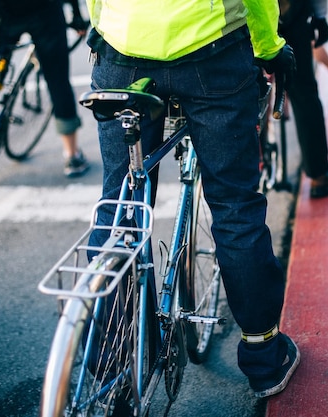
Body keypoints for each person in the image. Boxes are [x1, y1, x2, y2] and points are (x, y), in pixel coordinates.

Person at [84, 0, 300, 399]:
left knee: (119, 207)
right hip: (211, 53)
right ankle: (264, 358)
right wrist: (270, 47)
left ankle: (115, 359)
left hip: (121, 52)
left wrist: (102, 29)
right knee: (235, 206)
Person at [0, 0, 90, 177]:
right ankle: (72, 155)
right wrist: (76, 14)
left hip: (0, 9)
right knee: (57, 79)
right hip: (43, 11)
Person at [278, 0, 328, 198]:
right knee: (303, 91)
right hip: (288, 13)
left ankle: (255, 166)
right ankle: (320, 175)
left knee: (247, 94)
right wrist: (320, 15)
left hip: (243, 17)